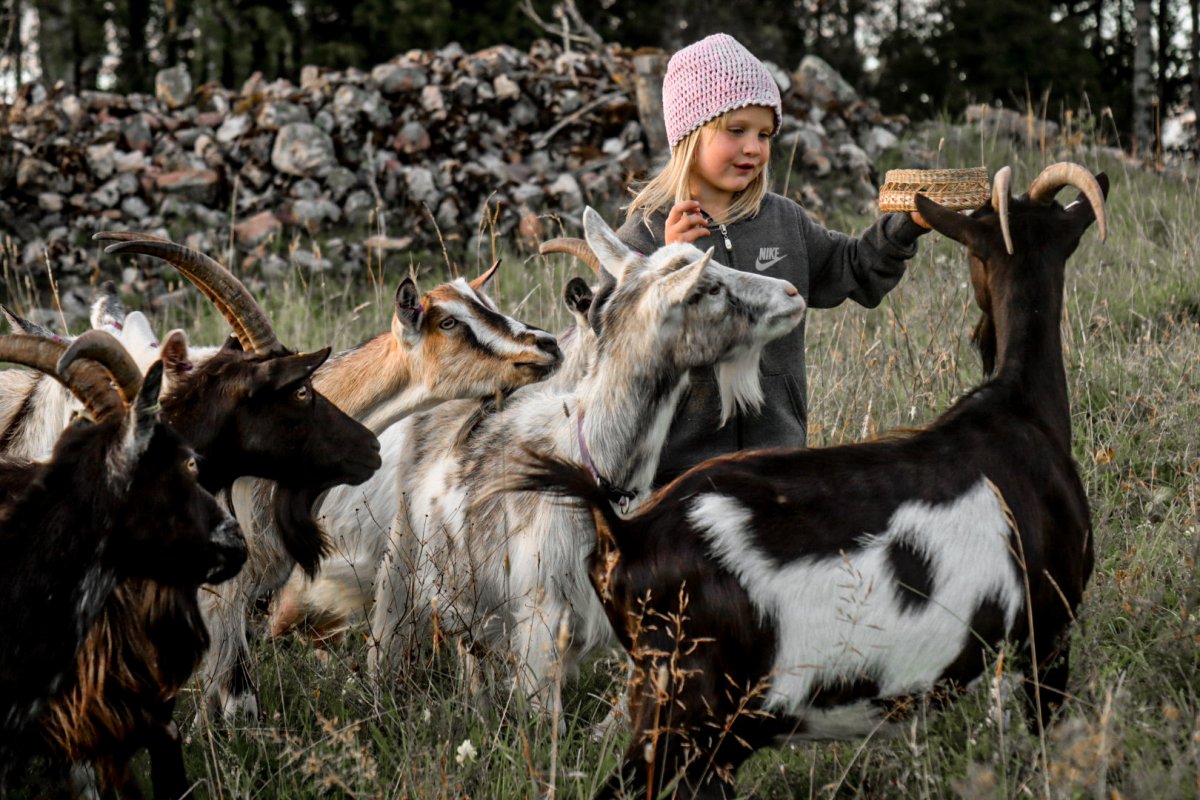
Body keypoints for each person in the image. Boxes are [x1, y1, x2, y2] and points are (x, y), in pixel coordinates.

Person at [616, 33, 930, 486]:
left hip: (778, 468)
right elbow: (615, 347)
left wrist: (904, 225)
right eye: (736, 130)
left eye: (764, 134)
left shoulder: (784, 222)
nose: (754, 148)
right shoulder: (644, 232)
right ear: (688, 134)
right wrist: (665, 267)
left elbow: (856, 269)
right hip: (678, 479)